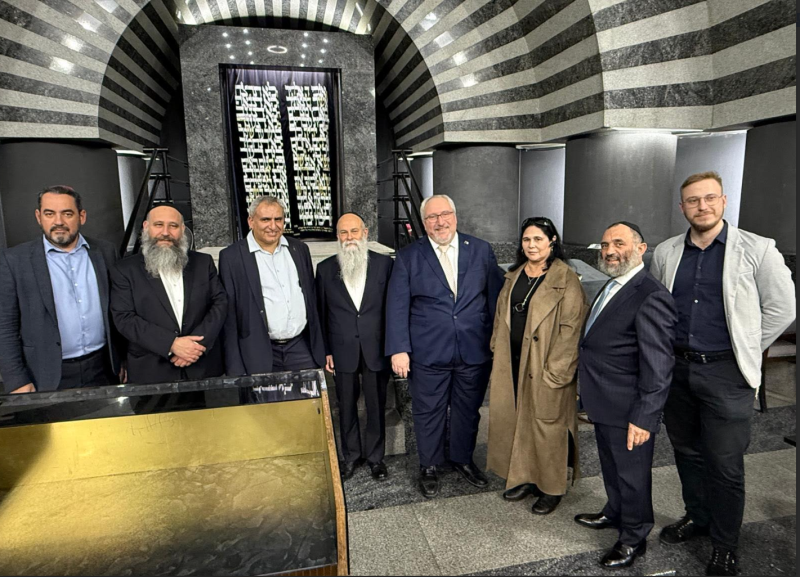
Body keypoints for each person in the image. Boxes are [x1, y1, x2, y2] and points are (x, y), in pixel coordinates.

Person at [650, 171, 796, 576]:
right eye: (693, 200)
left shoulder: (758, 249)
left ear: (723, 201)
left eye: (710, 198)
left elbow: (783, 309)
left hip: (726, 375)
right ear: (682, 207)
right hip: (678, 371)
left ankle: (725, 545)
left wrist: (743, 347)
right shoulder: (666, 252)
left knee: (725, 464)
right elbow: (659, 307)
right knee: (686, 453)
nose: (702, 206)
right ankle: (698, 517)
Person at [386, 194, 504, 498]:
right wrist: (399, 349)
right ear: (424, 222)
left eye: (444, 214)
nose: (440, 222)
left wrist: (499, 342)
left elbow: (495, 299)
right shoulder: (409, 256)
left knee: (468, 409)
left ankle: (463, 459)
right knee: (428, 411)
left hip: (474, 348)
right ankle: (429, 465)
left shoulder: (480, 250)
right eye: (432, 217)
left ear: (455, 215)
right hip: (427, 351)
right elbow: (397, 305)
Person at [574, 222, 677, 570]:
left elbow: (659, 365)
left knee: (633, 476)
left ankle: (634, 537)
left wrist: (645, 417)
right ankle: (614, 512)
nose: (609, 251)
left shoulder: (649, 294)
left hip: (629, 407)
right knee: (611, 466)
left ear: (641, 248)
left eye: (619, 243)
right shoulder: (613, 283)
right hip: (605, 400)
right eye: (605, 245)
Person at [486, 217, 587, 515]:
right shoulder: (514, 275)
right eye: (527, 240)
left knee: (548, 426)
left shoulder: (566, 279)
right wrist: (496, 347)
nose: (531, 245)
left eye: (538, 239)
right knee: (519, 419)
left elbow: (571, 329)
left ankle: (551, 488)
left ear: (552, 241)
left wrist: (557, 371)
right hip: (514, 362)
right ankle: (526, 477)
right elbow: (500, 316)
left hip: (547, 365)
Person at [0, 185, 121, 393]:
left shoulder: (105, 252)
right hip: (45, 376)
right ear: (39, 217)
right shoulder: (15, 261)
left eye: (67, 213)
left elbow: (117, 310)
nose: (58, 222)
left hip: (104, 369)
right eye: (49, 214)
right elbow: (4, 325)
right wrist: (16, 379)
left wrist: (121, 359)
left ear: (81, 216)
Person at [110, 205, 227, 384]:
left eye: (173, 226)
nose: (165, 232)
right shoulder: (125, 270)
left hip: (202, 367)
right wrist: (171, 344)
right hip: (151, 371)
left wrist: (196, 346)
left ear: (182, 230)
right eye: (158, 225)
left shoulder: (203, 262)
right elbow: (124, 318)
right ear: (146, 227)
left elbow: (219, 303)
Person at [316, 213, 393, 481]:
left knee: (376, 405)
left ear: (365, 232)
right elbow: (320, 313)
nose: (349, 237)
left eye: (354, 231)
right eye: (343, 232)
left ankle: (375, 457)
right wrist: (326, 350)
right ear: (337, 236)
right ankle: (350, 456)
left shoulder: (385, 265)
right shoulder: (325, 269)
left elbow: (393, 309)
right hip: (341, 350)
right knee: (346, 406)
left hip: (376, 348)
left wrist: (394, 347)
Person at [219, 196, 325, 375]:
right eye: (266, 219)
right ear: (251, 221)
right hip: (257, 352)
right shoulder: (232, 257)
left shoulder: (299, 249)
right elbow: (229, 315)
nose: (273, 226)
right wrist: (235, 367)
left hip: (301, 348)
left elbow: (311, 298)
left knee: (306, 394)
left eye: (278, 219)